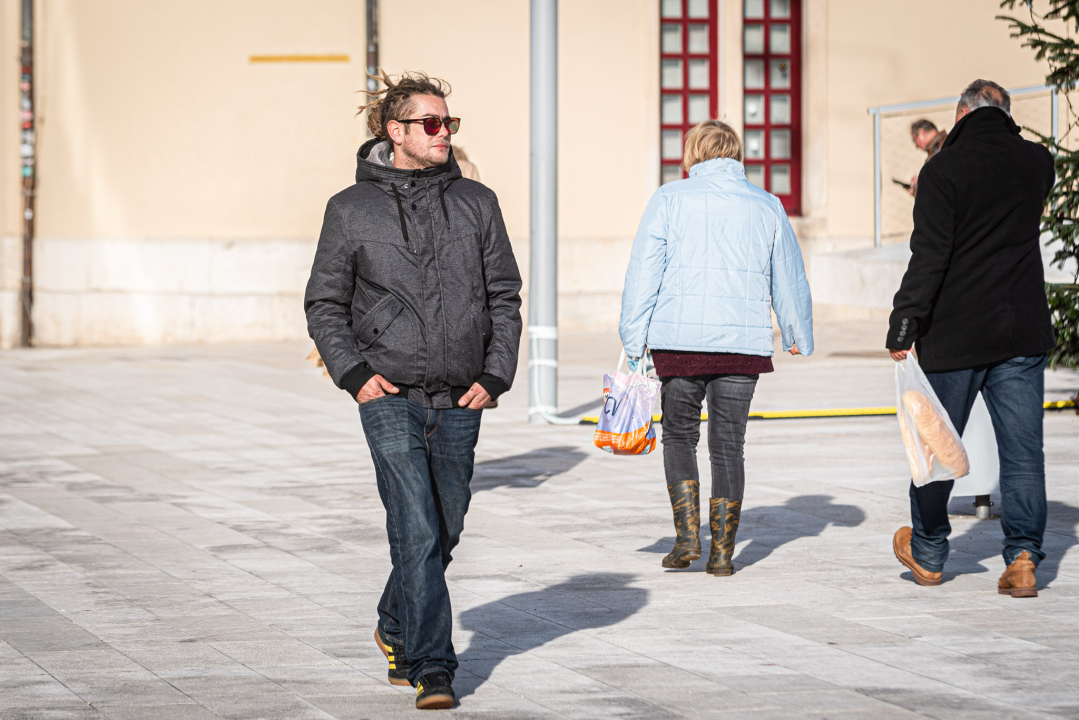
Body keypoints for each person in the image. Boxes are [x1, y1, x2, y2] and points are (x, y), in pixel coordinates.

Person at [304, 70, 522, 708]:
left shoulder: (477, 202)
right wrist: (353, 373)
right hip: (389, 392)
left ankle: (396, 623)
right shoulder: (349, 209)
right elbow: (325, 304)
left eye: (449, 122)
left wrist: (495, 373)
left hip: (461, 396)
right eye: (431, 123)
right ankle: (433, 668)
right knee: (417, 528)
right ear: (394, 132)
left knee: (445, 529)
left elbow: (505, 297)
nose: (444, 133)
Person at [619, 120, 814, 577]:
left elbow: (643, 272)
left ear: (693, 152)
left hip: (678, 344)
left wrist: (633, 337)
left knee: (679, 436)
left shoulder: (669, 198)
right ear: (735, 153)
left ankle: (687, 538)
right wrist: (796, 331)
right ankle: (723, 555)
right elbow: (788, 272)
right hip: (742, 348)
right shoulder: (767, 204)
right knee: (729, 447)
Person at [887, 79, 1056, 598]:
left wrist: (904, 320)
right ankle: (1023, 558)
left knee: (937, 445)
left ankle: (931, 551)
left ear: (960, 114)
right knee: (1024, 452)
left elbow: (931, 255)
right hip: (1021, 330)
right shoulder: (1038, 163)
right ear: (1005, 114)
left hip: (956, 332)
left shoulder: (942, 170)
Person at [907, 119, 948, 196]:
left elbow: (933, 188)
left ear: (921, 132)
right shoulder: (945, 143)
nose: (916, 146)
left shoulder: (939, 150)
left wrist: (917, 190)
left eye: (914, 140)